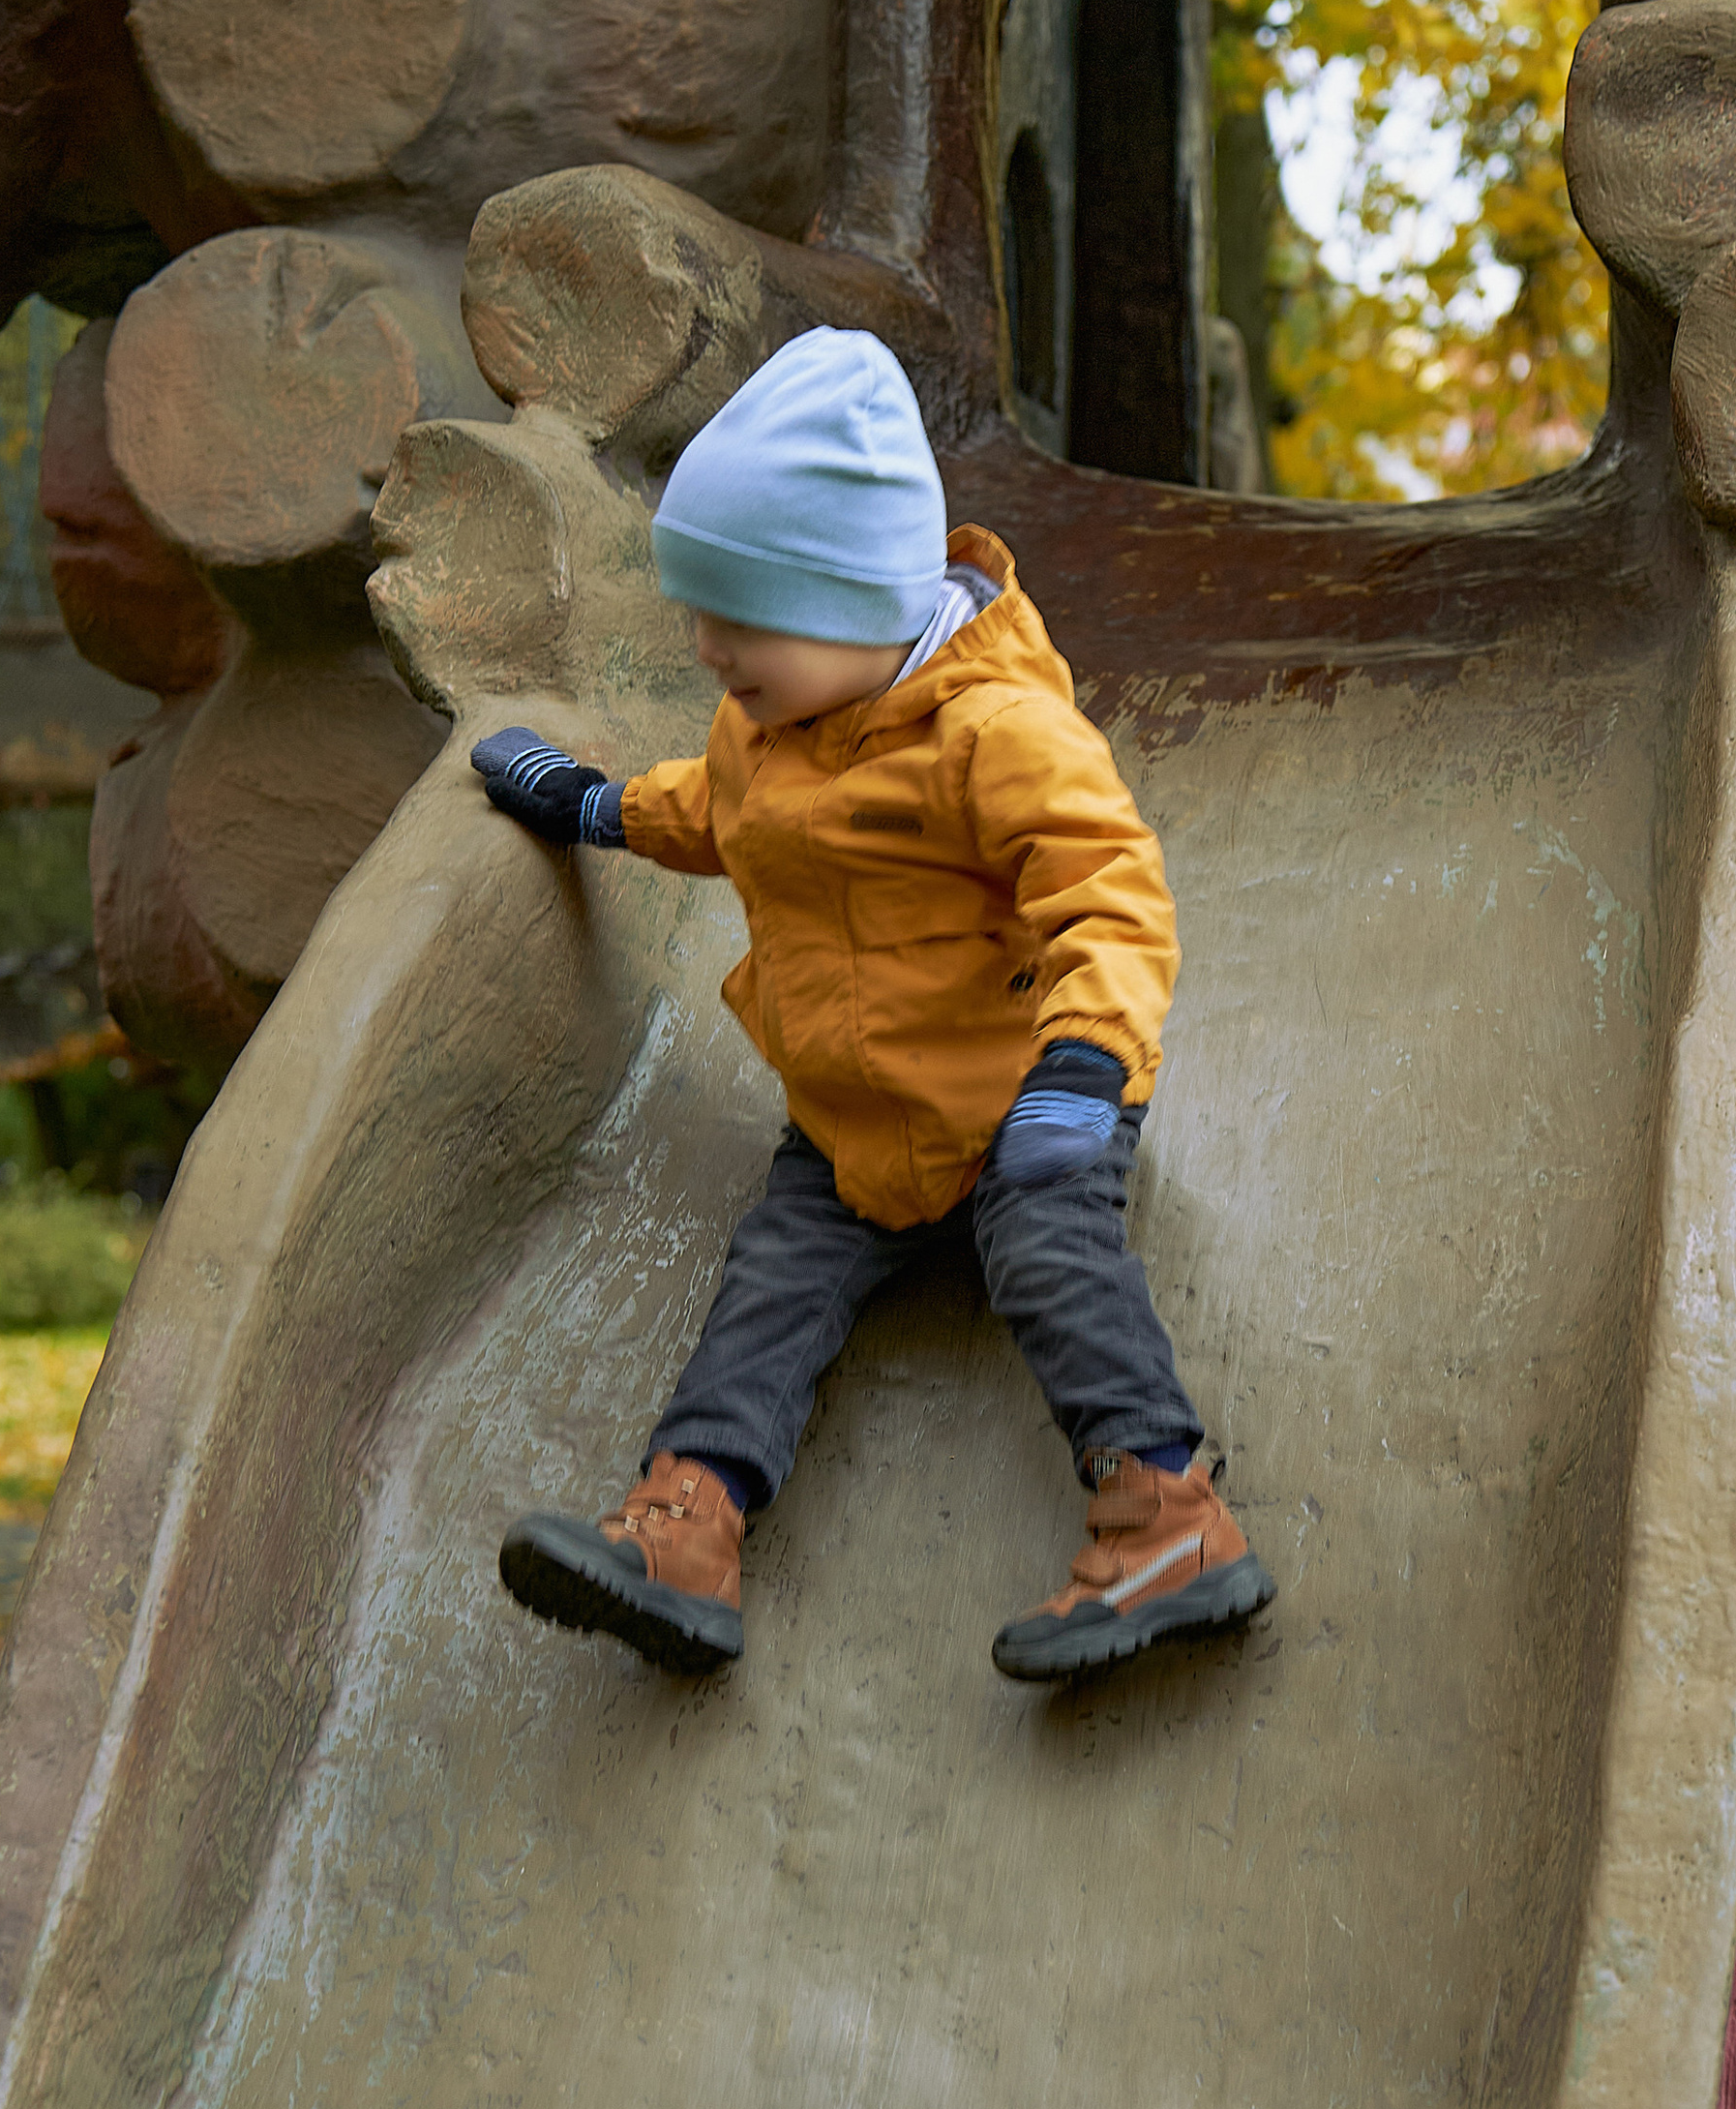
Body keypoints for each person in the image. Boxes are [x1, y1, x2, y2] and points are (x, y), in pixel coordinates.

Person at [471, 326, 1272, 1683]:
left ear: (856, 598)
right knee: (769, 1290)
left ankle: (1166, 1514)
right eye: (701, 611)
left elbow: (1109, 891)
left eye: (742, 616)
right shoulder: (768, 727)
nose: (709, 648)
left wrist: (1082, 1069)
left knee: (1049, 1254)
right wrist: (592, 804)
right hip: (855, 1123)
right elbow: (713, 809)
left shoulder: (994, 733)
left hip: (1027, 1096)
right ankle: (688, 1528)